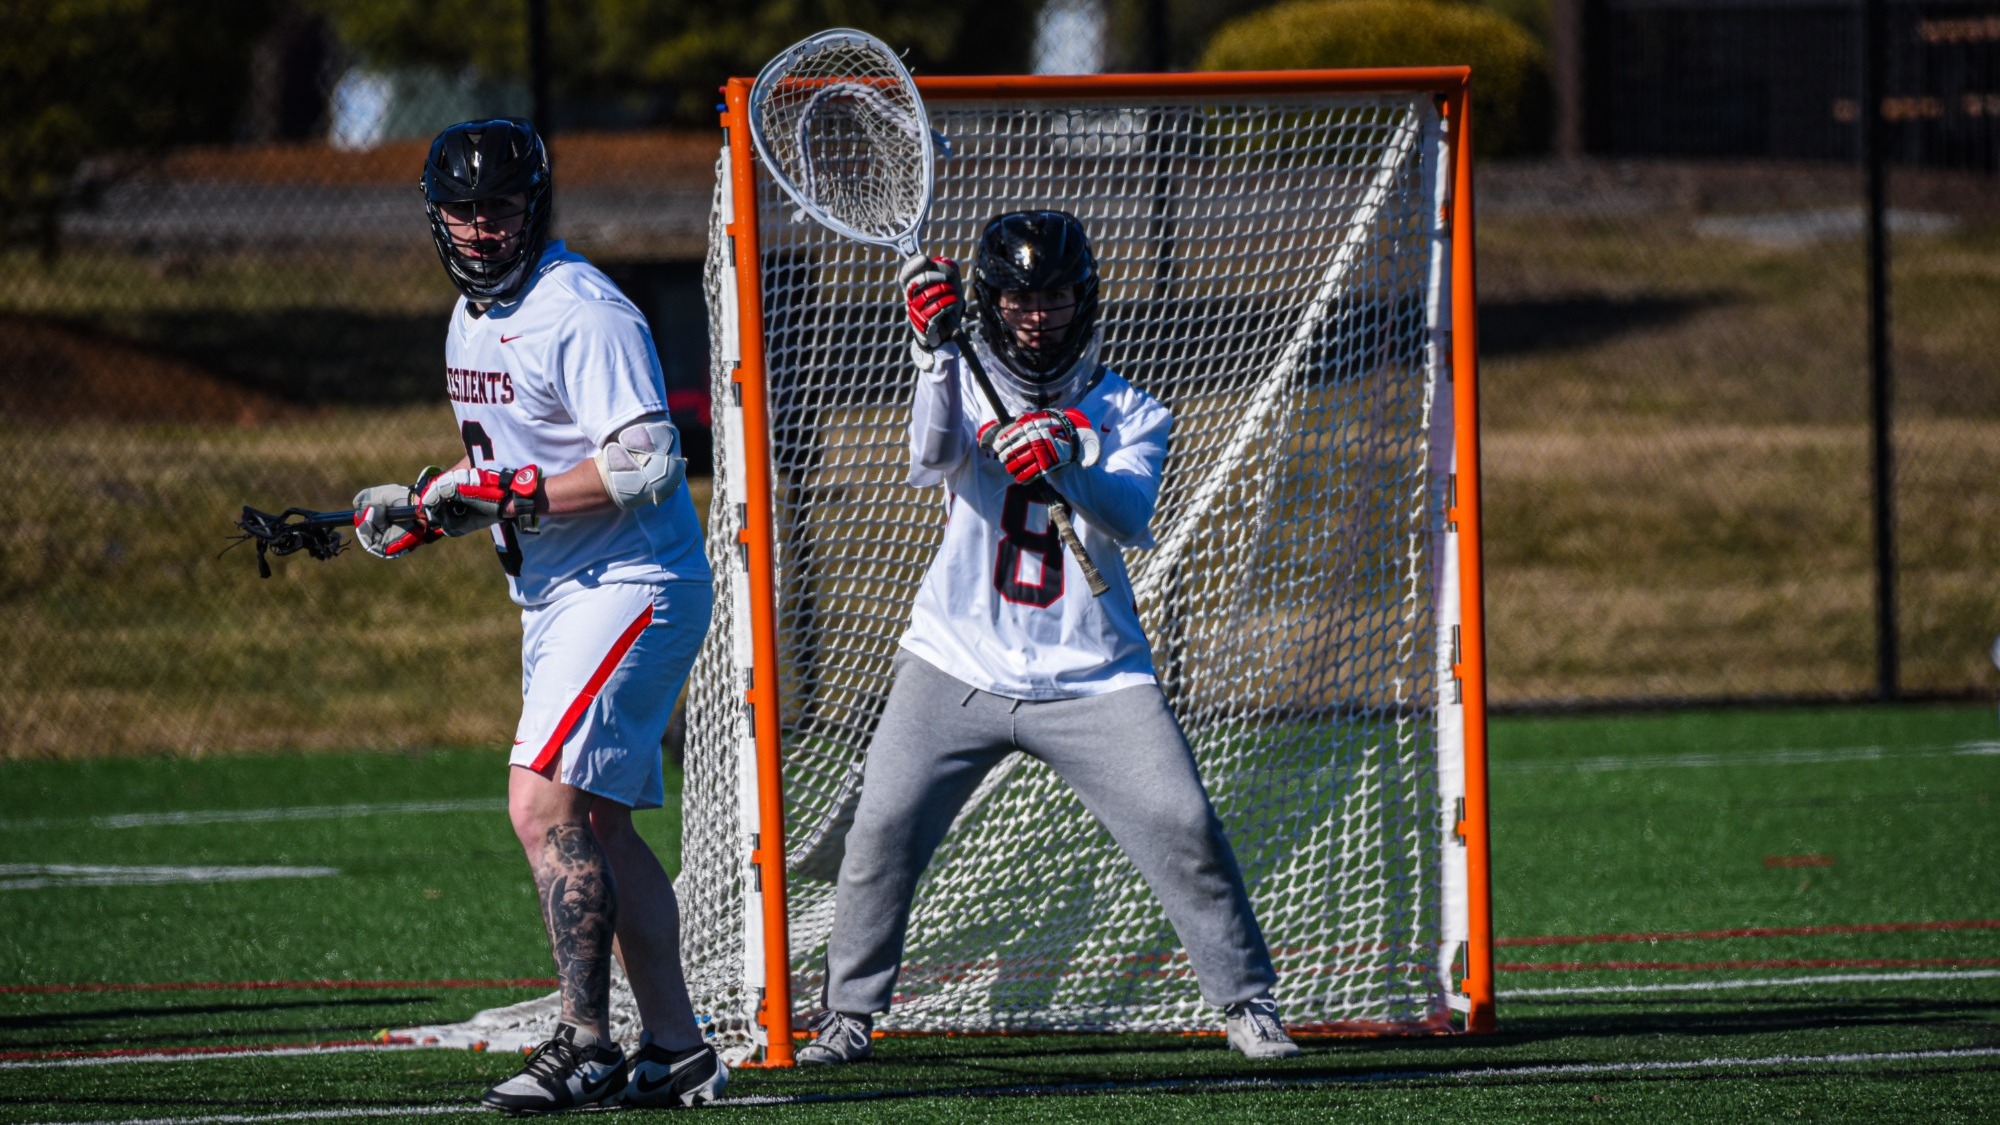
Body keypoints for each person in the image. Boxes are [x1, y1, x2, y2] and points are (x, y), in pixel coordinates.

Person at [795, 210, 1302, 1065]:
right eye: (1021, 298)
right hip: (954, 659)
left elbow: (1130, 513)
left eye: (1057, 296)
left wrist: (1068, 448)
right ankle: (847, 1013)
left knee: (1184, 819)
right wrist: (928, 354)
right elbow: (929, 453)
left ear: (1085, 298)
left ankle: (1247, 1001)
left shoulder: (1130, 409)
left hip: (1095, 673)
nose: (1040, 314)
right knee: (879, 827)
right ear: (990, 302)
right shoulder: (958, 374)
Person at [351, 118, 726, 1113]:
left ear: (534, 206)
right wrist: (430, 512)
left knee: (539, 803)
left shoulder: (581, 309)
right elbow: (506, 472)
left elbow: (645, 461)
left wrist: (504, 493)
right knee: (596, 822)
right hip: (562, 595)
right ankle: (679, 1049)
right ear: (438, 217)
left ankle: (586, 1041)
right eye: (464, 210)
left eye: (500, 207)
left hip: (631, 583)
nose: (481, 227)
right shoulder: (468, 319)